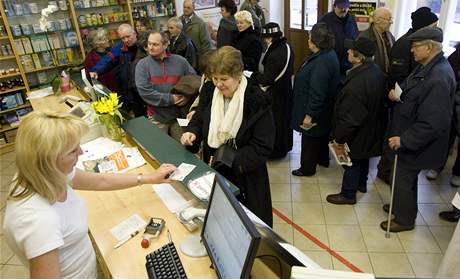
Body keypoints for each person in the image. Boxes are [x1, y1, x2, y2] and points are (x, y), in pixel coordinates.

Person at [2, 111, 176, 278]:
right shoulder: (38, 221)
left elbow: (100, 181)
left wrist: (147, 178)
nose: (81, 152)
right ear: (49, 160)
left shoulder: (42, 172)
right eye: (72, 151)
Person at [180, 46, 275, 227]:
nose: (218, 84)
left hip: (245, 174)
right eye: (215, 78)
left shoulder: (257, 100)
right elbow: (200, 119)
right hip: (214, 168)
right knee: (217, 221)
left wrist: (230, 161)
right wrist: (192, 132)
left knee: (244, 225)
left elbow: (263, 146)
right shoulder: (209, 91)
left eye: (224, 79)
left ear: (239, 75)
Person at [380, 27, 456, 232]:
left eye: (415, 47)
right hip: (408, 133)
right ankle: (400, 207)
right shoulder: (426, 66)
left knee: (404, 178)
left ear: (429, 47)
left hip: (416, 141)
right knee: (401, 177)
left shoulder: (438, 77)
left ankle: (404, 220)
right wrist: (400, 95)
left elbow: (433, 122)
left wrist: (404, 140)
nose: (412, 51)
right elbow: (413, 92)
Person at [377, 7, 438, 184]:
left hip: (408, 101)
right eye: (432, 25)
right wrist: (401, 96)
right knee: (394, 136)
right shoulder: (405, 44)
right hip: (401, 101)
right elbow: (397, 76)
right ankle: (386, 172)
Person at [326, 37, 387, 205]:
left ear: (359, 57)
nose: (347, 51)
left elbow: (350, 119)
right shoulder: (376, 72)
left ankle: (348, 194)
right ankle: (361, 184)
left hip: (359, 131)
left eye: (350, 50)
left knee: (351, 161)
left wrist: (339, 138)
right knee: (363, 157)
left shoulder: (357, 84)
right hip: (371, 128)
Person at [291, 23, 341, 176]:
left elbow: (317, 92)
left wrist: (309, 115)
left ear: (316, 41)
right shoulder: (326, 54)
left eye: (310, 36)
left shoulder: (321, 62)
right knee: (321, 134)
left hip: (313, 108)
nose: (308, 39)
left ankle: (307, 168)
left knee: (310, 138)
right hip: (324, 108)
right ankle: (322, 160)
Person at [135, 31, 196, 141]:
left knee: (184, 150)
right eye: (149, 44)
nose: (151, 48)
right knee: (158, 151)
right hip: (156, 117)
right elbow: (145, 92)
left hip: (179, 116)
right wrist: (171, 99)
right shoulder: (142, 65)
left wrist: (187, 97)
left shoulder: (180, 62)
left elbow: (195, 82)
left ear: (165, 45)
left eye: (155, 44)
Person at [252, 22, 294, 159]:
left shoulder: (274, 54)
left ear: (269, 38)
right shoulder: (287, 47)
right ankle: (285, 146)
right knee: (285, 121)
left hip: (275, 94)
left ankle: (276, 151)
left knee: (275, 123)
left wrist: (252, 75)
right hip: (286, 90)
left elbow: (266, 79)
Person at [90, 24, 145, 117]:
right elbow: (108, 59)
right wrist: (96, 71)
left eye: (128, 36)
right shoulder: (120, 47)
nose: (126, 40)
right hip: (130, 89)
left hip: (145, 87)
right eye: (123, 38)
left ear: (134, 33)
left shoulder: (144, 44)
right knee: (139, 116)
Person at [318, 0, 359, 75]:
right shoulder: (325, 20)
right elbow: (318, 41)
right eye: (340, 7)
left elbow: (356, 37)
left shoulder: (352, 19)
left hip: (348, 64)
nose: (343, 10)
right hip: (331, 64)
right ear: (334, 6)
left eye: (345, 7)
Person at [83, 28, 119, 93]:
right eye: (105, 39)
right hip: (103, 90)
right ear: (97, 43)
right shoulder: (90, 58)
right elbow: (90, 78)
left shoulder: (110, 51)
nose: (108, 40)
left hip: (116, 87)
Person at [359, 7, 395, 74]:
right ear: (378, 20)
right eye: (389, 19)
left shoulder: (390, 36)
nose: (391, 22)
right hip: (371, 77)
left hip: (387, 77)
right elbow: (360, 63)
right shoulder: (365, 38)